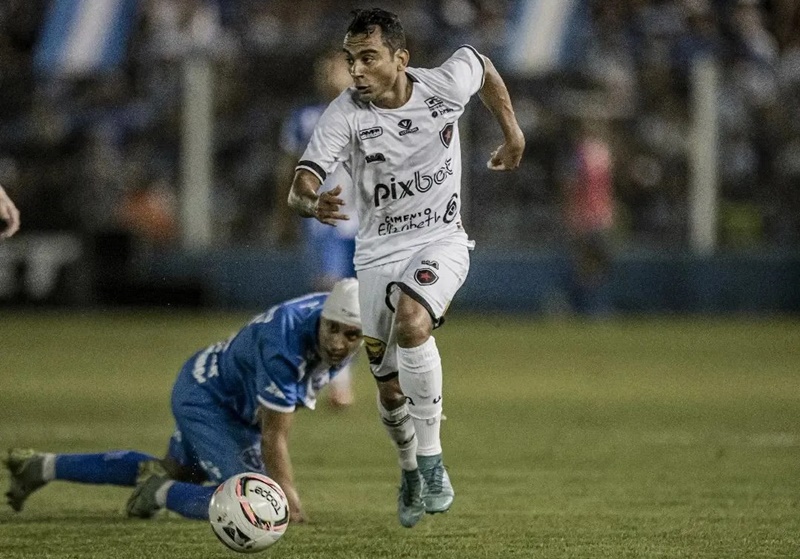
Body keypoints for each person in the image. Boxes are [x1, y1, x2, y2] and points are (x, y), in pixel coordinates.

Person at [287, 8, 525, 528]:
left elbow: (483, 66)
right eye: (351, 59)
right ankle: (409, 469)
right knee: (390, 390)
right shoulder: (345, 113)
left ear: (401, 59)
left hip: (442, 240)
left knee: (414, 320)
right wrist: (311, 203)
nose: (356, 70)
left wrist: (512, 133)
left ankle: (432, 462)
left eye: (368, 58)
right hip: (377, 255)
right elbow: (301, 183)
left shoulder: (444, 85)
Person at [4, 279, 363, 524]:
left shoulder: (348, 314)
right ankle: (161, 493)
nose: (337, 342)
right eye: (331, 328)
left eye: (350, 335)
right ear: (323, 316)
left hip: (225, 397)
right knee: (258, 504)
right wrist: (289, 498)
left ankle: (41, 467)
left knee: (178, 470)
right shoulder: (284, 344)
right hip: (209, 399)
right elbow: (274, 435)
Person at [272, 47, 361, 408]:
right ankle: (338, 382)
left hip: (367, 221)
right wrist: (283, 216)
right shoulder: (304, 118)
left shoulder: (371, 112)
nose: (328, 75)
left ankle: (338, 372)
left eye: (335, 68)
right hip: (325, 223)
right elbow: (288, 171)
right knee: (333, 298)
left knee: (368, 303)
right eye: (323, 69)